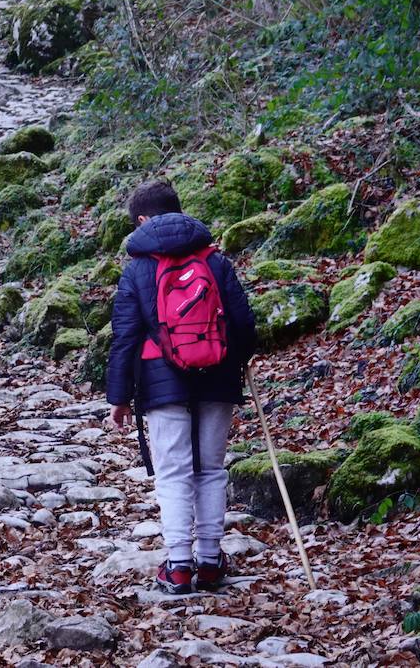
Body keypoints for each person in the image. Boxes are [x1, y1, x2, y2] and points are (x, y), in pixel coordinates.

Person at [106, 180, 257, 595]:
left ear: (141, 220)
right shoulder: (215, 260)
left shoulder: (138, 268)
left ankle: (176, 566)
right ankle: (210, 563)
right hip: (218, 376)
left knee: (172, 474)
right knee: (210, 471)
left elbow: (125, 336)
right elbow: (244, 324)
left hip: (160, 380)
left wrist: (119, 397)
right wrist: (236, 359)